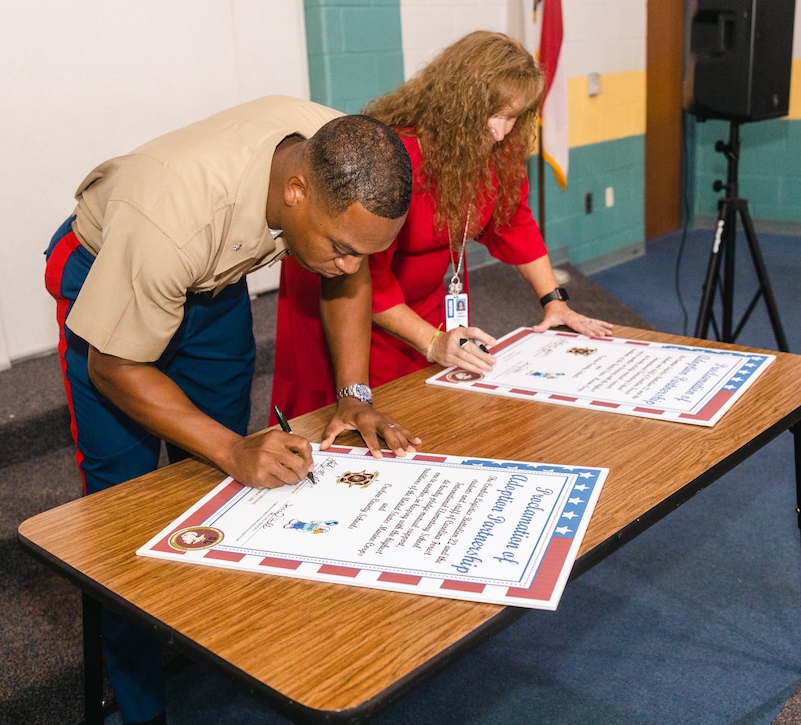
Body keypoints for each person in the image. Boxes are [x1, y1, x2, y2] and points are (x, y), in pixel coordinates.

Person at [43, 95, 418, 725]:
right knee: (125, 513)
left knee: (220, 486)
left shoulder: (342, 157)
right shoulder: (172, 219)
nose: (354, 266)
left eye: (367, 251)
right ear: (296, 191)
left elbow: (345, 276)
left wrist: (354, 397)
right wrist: (230, 447)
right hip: (115, 269)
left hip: (213, 282)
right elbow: (113, 367)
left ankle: (206, 644)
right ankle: (142, 711)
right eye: (343, 246)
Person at [271, 31, 613, 422]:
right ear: (459, 106)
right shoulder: (398, 158)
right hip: (350, 294)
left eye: (514, 117)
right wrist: (431, 341)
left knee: (431, 413)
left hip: (426, 297)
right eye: (496, 115)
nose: (503, 131)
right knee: (358, 415)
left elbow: (512, 221)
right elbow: (365, 274)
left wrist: (554, 301)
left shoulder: (494, 150)